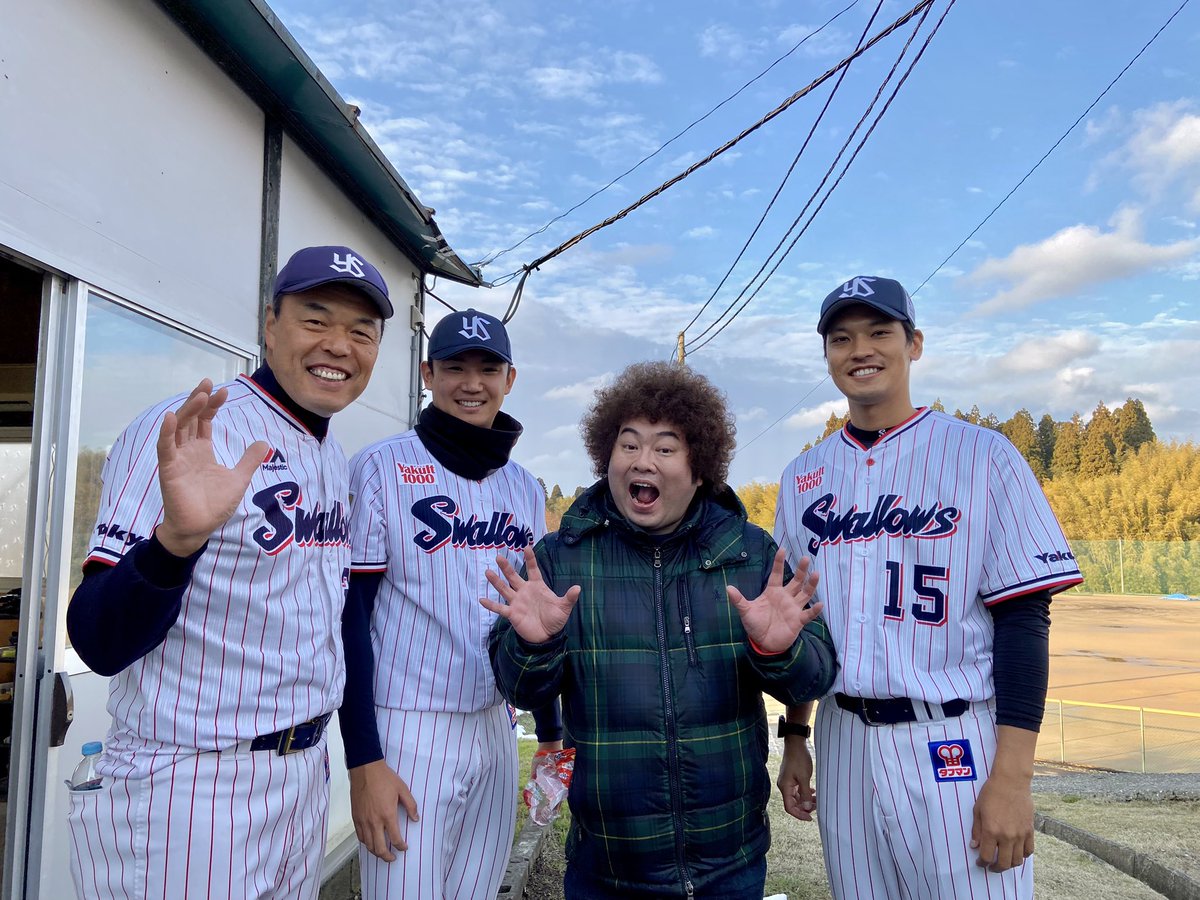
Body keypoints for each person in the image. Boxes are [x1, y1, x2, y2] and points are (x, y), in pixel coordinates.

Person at [65, 245, 392, 899]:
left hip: (301, 776)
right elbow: (98, 641)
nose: (339, 345)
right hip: (190, 786)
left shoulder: (331, 453)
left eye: (362, 331)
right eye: (316, 319)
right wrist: (174, 543)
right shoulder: (193, 430)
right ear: (270, 323)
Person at [774, 275, 1084, 899]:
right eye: (842, 338)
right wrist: (797, 737)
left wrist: (1014, 779)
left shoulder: (984, 456)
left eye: (879, 332)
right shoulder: (803, 475)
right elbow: (800, 623)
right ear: (827, 354)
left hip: (950, 737)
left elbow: (1024, 620)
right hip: (843, 740)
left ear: (914, 344)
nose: (861, 349)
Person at [486, 361, 838, 899]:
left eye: (665, 448)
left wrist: (779, 650)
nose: (642, 461)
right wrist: (535, 645)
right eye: (628, 445)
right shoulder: (560, 559)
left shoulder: (748, 555)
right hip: (606, 869)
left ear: (700, 469)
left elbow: (813, 678)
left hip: (729, 865)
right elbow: (520, 689)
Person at [339, 307, 561, 900]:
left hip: (496, 724)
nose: (471, 383)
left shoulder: (524, 486)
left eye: (487, 368)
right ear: (427, 374)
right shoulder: (380, 467)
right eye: (455, 367)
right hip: (408, 725)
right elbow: (351, 619)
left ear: (509, 379)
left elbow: (534, 619)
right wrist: (363, 759)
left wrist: (550, 732)